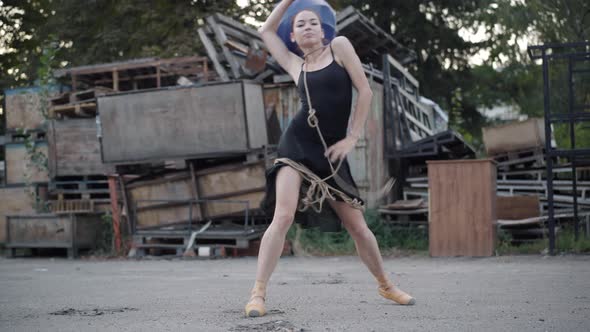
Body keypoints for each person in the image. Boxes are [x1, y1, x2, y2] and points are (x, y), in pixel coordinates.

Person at [245, 0, 415, 318]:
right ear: (293, 37)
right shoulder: (296, 65)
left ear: (322, 29)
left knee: (358, 227)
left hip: (331, 154)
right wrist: (288, 2)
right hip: (296, 145)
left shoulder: (339, 47)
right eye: (300, 24)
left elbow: (364, 91)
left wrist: (352, 137)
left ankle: (385, 284)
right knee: (282, 217)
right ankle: (258, 294)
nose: (307, 27)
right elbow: (266, 30)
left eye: (312, 22)